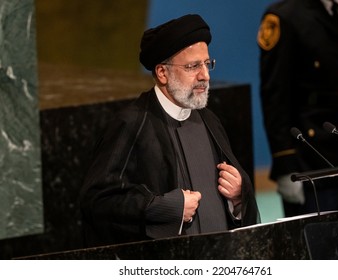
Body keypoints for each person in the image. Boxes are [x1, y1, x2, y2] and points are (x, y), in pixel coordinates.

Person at [80, 14, 260, 247]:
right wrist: (166, 208)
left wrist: (239, 195)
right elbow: (98, 200)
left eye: (207, 64)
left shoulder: (209, 119)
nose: (205, 76)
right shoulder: (132, 123)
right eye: (193, 66)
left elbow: (237, 200)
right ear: (163, 73)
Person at [257, 0, 338, 217]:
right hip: (312, 160)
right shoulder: (285, 16)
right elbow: (275, 98)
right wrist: (285, 166)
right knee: (316, 245)